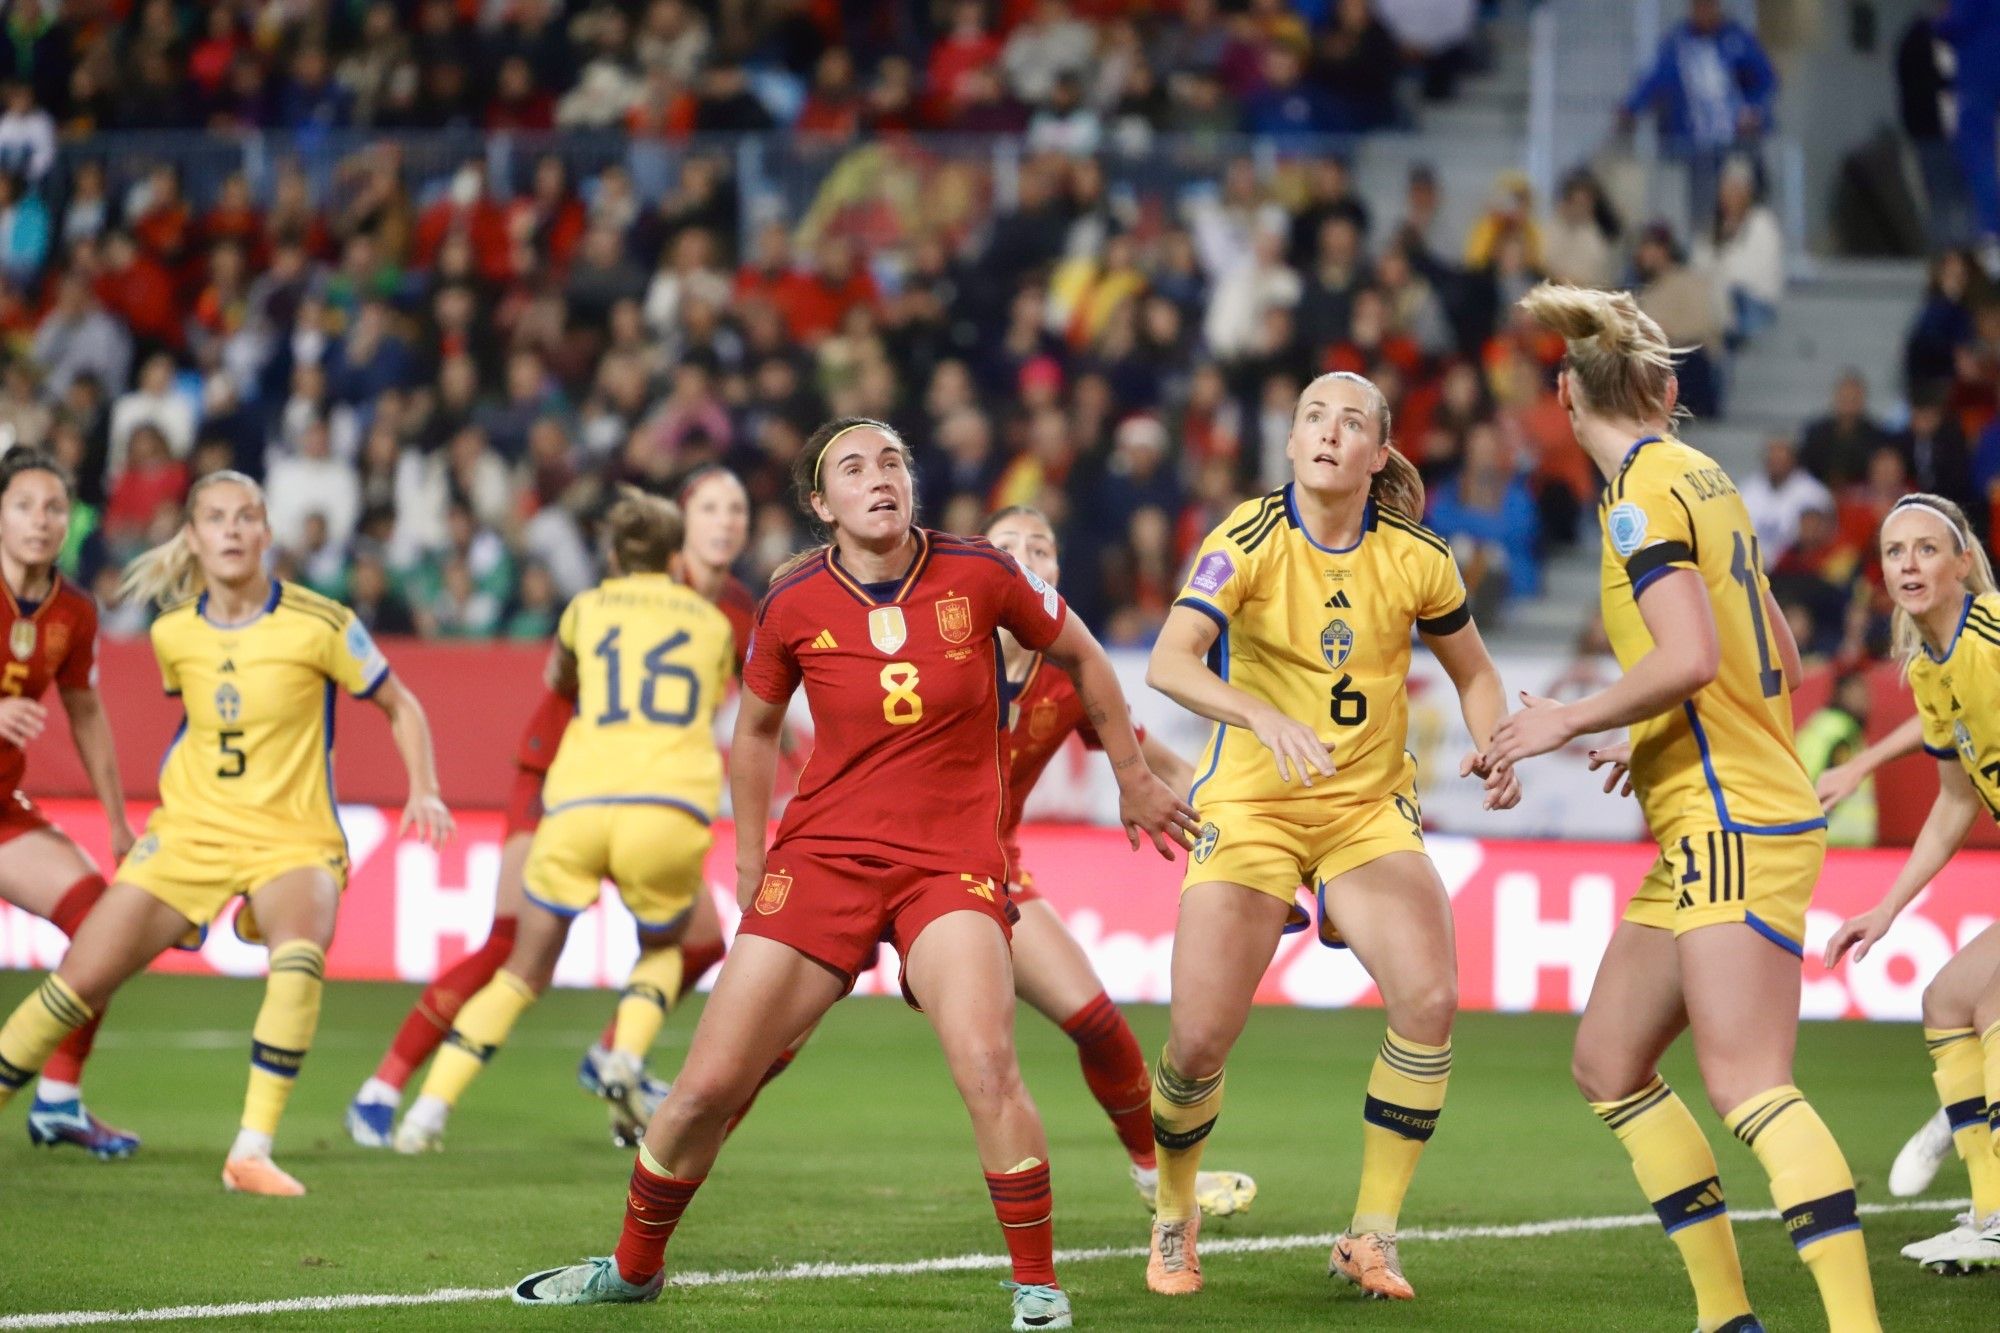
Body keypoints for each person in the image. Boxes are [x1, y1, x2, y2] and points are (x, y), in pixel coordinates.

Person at [508, 418, 1194, 1330]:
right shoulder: (791, 599)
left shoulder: (981, 572)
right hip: (822, 858)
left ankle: (1037, 1284)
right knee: (710, 1085)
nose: (882, 478)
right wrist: (755, 854)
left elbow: (1086, 657)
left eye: (894, 462)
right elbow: (754, 732)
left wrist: (1134, 774)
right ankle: (632, 1270)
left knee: (988, 1062)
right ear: (821, 503)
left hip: (949, 864)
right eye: (855, 467)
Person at [1489, 284, 1880, 1333]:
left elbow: (1692, 655)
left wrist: (1567, 718)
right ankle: (1724, 1319)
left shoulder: (1632, 499)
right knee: (1608, 1062)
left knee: (1750, 1084)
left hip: (1732, 825)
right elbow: (1774, 657)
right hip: (1712, 816)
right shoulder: (1703, 476)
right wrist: (1652, 731)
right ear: (1662, 391)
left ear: (1567, 394)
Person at [1142, 371, 1518, 1301]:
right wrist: (1259, 716)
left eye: (1351, 421)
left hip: (1363, 811)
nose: (1327, 430)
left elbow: (1473, 671)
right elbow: (1169, 662)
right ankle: (1175, 1213)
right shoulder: (1248, 538)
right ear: (1290, 439)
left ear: (1378, 453)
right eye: (1312, 414)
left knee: (1429, 1001)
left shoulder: (1420, 557)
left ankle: (1371, 1234)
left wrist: (1493, 740)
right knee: (1196, 1039)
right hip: (1251, 806)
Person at [0, 470, 454, 1196]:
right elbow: (198, 728)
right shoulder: (173, 633)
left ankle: (251, 1149)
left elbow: (401, 705)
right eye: (217, 518)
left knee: (301, 953)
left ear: (267, 533)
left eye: (247, 517)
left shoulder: (323, 622)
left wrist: (424, 786)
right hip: (190, 836)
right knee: (78, 980)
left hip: (294, 839)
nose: (234, 530)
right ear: (194, 538)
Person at [346, 467, 754, 1149]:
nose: (728, 520)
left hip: (625, 790)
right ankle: (384, 1085)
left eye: (738, 507)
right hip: (559, 772)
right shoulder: (680, 609)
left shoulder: (737, 607)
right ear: (679, 528)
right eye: (711, 506)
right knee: (517, 948)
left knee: (704, 940)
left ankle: (611, 1053)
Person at [986, 504, 1255, 1217]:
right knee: (773, 1041)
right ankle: (673, 1145)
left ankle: (1154, 1175)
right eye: (1006, 545)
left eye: (1039, 547)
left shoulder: (1070, 670)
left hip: (992, 871)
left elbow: (1153, 759)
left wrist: (1243, 800)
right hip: (888, 859)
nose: (1024, 556)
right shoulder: (940, 646)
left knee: (1099, 1022)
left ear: (1056, 572)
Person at [1823, 494, 2000, 1273]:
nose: (1909, 564)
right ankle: (1989, 1211)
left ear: (1962, 561)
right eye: (1896, 552)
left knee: (1992, 1000)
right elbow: (1957, 801)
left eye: (1928, 549)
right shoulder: (1931, 667)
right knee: (1947, 1000)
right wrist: (1887, 907)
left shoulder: (1993, 637)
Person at [0, 449, 138, 1158]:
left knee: (103, 920)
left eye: (55, 507)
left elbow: (86, 712)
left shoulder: (74, 610)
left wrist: (117, 822)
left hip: (3, 813)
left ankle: (58, 1098)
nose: (41, 520)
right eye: (24, 504)